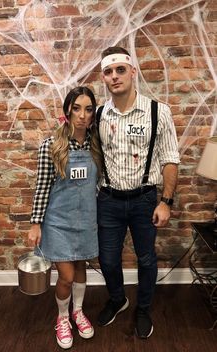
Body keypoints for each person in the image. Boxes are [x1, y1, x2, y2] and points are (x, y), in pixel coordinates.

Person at [96, 47, 180, 339]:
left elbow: (170, 158)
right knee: (107, 260)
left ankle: (143, 307)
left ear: (133, 72)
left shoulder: (158, 111)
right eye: (108, 71)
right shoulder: (97, 115)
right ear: (103, 77)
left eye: (120, 69)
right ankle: (118, 299)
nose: (114, 76)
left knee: (146, 259)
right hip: (108, 200)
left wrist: (165, 201)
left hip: (145, 199)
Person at [28, 86, 102, 350]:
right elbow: (42, 187)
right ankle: (62, 318)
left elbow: (98, 182)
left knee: (81, 269)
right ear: (68, 110)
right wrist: (36, 223)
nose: (82, 115)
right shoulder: (52, 145)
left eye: (89, 109)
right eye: (77, 108)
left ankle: (78, 312)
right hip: (58, 222)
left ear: (93, 114)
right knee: (67, 277)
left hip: (86, 220)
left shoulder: (96, 144)